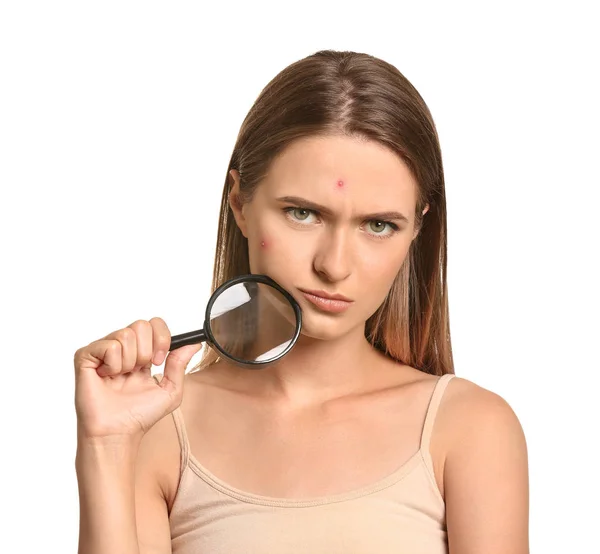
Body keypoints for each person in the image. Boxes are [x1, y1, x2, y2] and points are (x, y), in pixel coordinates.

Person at [74, 49, 529, 553]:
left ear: (418, 228)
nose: (334, 265)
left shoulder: (469, 429)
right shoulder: (158, 427)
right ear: (240, 202)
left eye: (379, 225)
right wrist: (106, 445)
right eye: (304, 214)